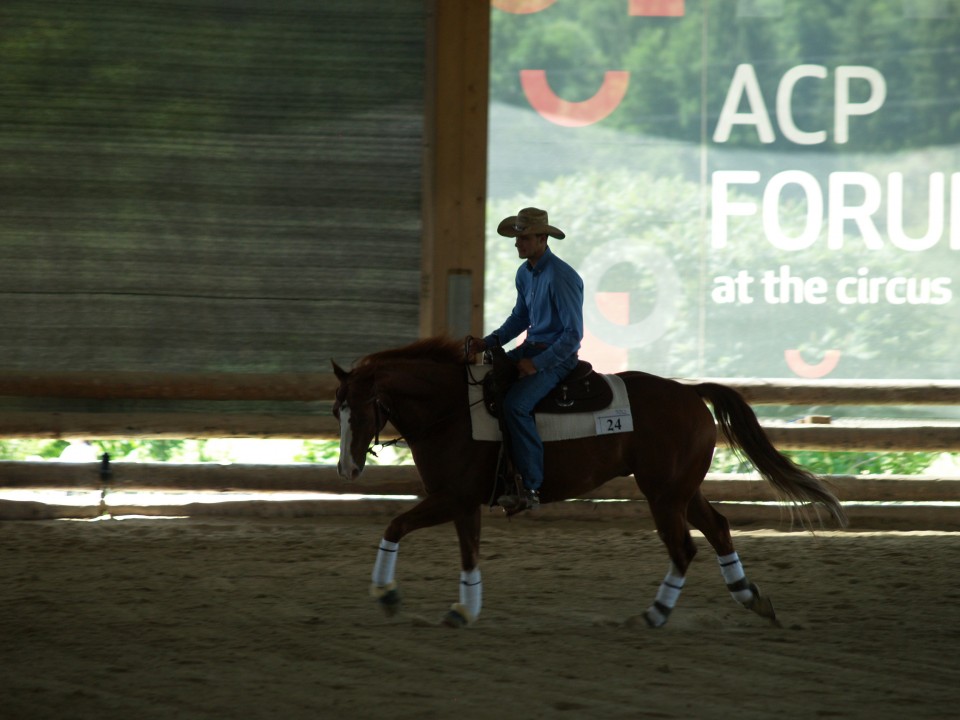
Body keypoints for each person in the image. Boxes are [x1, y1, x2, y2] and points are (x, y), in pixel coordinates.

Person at [468, 207, 584, 511]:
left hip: (557, 357)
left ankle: (531, 486)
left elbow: (573, 335)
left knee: (516, 406)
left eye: (525, 238)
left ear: (543, 238)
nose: (518, 244)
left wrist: (538, 363)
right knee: (482, 384)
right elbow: (520, 317)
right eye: (517, 238)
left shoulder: (561, 277)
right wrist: (488, 342)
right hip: (530, 347)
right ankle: (498, 472)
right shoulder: (525, 273)